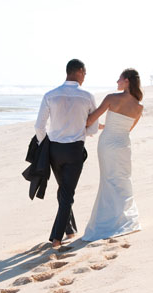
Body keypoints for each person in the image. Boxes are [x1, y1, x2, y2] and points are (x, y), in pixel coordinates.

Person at [35, 59, 99, 247]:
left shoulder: (50, 95)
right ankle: (56, 238)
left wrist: (43, 143)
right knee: (67, 193)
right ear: (79, 71)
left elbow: (39, 126)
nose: (85, 77)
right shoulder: (87, 96)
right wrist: (81, 132)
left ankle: (69, 230)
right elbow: (93, 128)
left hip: (54, 149)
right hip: (74, 150)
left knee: (63, 189)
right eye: (85, 73)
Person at [82, 68, 143, 242]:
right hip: (123, 144)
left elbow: (89, 120)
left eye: (119, 79)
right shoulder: (139, 107)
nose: (117, 82)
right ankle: (124, 218)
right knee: (123, 179)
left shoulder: (111, 98)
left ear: (127, 81)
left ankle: (106, 222)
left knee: (108, 180)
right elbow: (126, 129)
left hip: (107, 144)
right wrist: (105, 126)